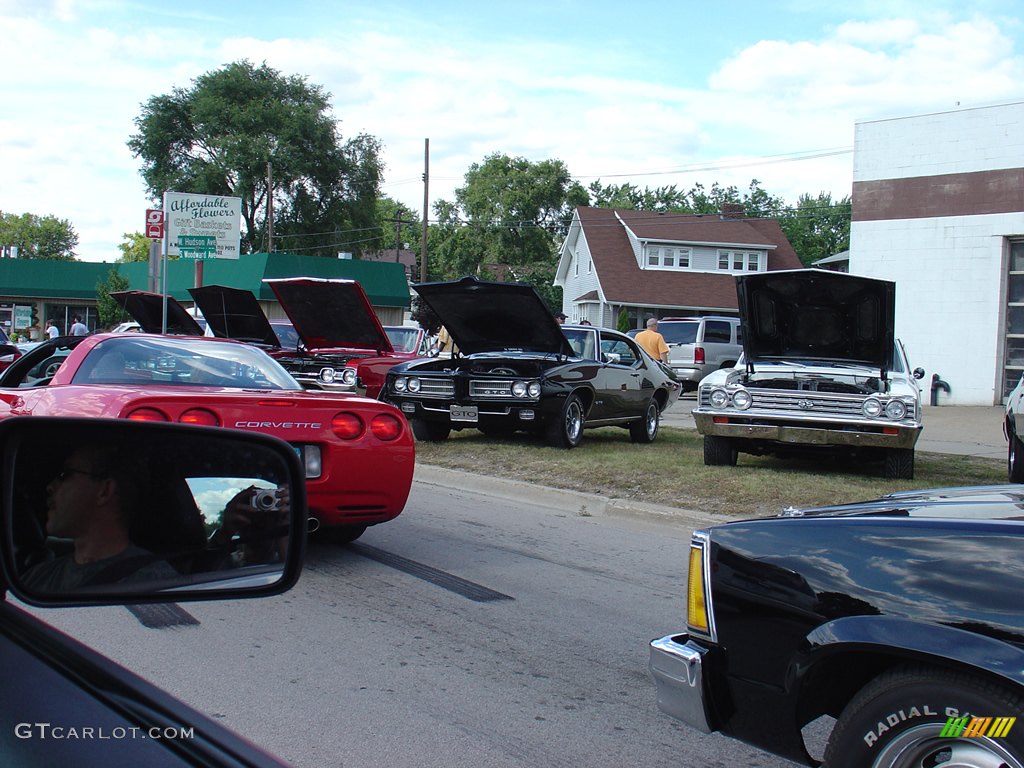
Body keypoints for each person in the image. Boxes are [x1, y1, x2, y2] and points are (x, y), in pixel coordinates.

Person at [22, 445, 176, 592]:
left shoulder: (154, 580)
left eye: (65, 474)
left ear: (105, 491)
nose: (50, 486)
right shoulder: (37, 576)